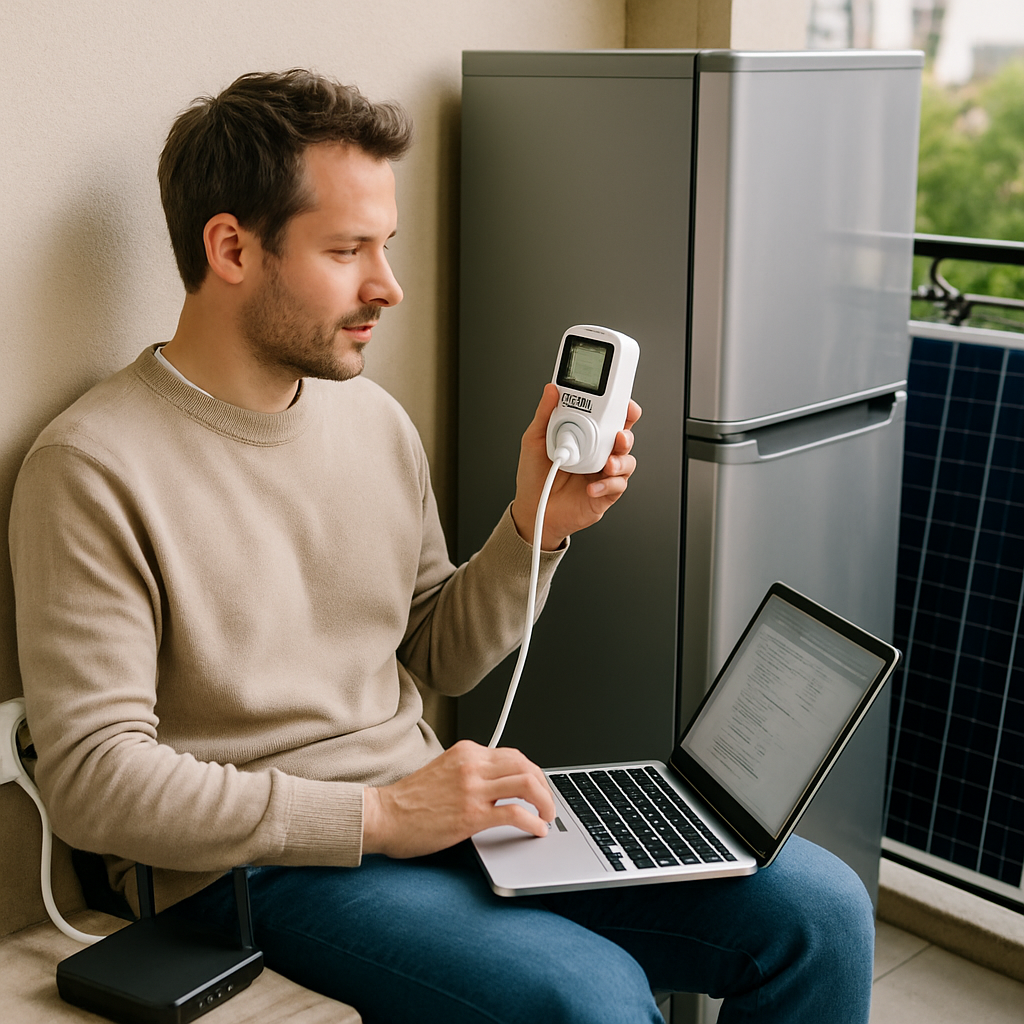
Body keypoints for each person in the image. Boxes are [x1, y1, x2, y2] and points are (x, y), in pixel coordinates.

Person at [9, 70, 875, 1023]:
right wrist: (380, 815)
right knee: (587, 996)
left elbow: (438, 651)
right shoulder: (91, 467)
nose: (388, 286)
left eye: (384, 245)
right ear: (232, 248)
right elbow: (91, 780)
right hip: (251, 872)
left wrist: (535, 527)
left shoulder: (373, 421)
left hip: (428, 808)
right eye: (348, 250)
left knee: (820, 911)